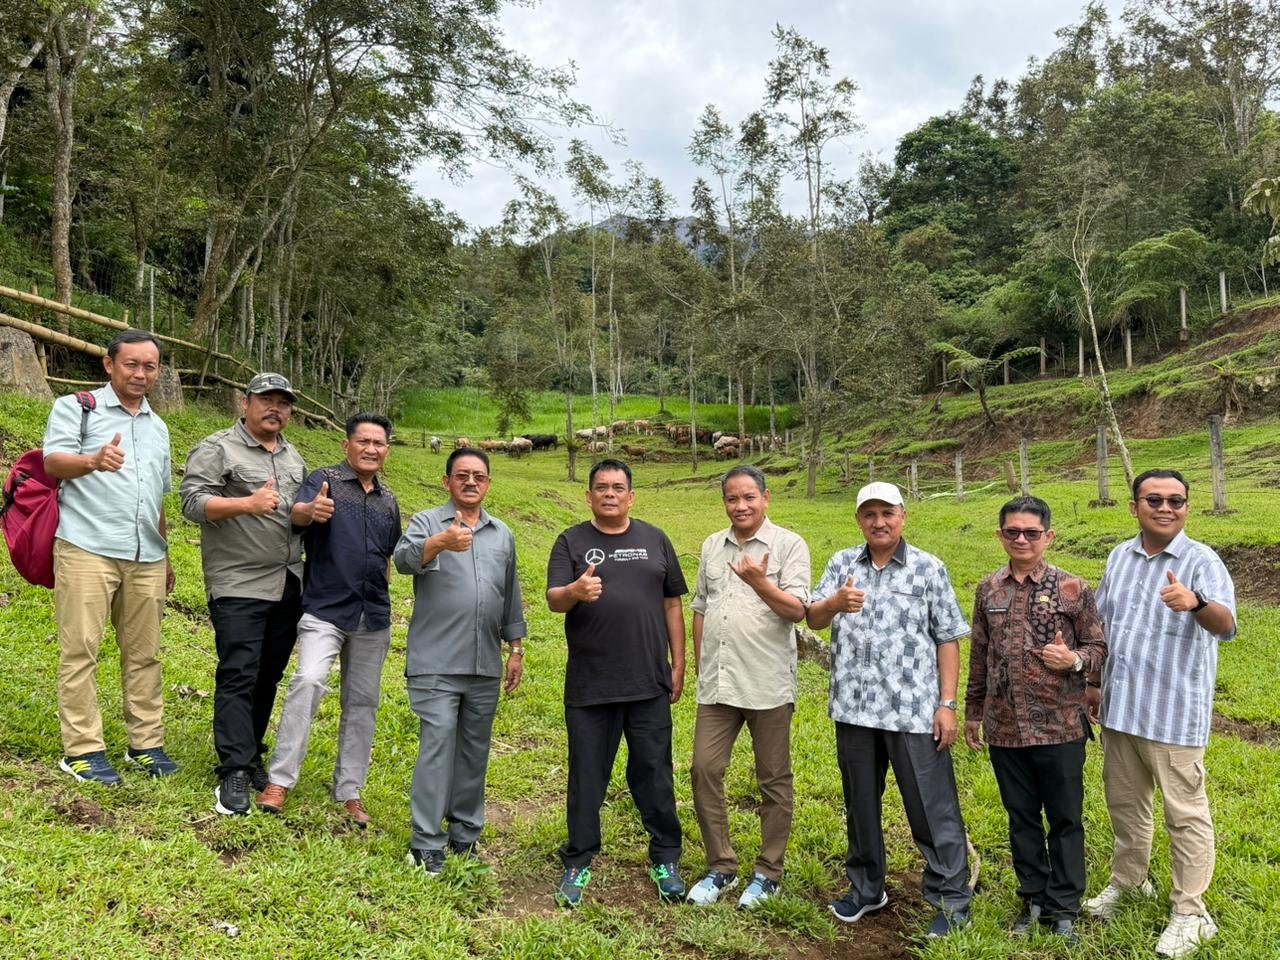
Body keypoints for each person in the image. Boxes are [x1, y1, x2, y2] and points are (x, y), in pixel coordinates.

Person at [808, 481, 973, 938]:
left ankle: (951, 899)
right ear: (859, 520)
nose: (879, 522)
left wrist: (947, 704)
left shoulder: (928, 568)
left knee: (930, 807)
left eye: (887, 513)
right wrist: (835, 603)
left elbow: (947, 638)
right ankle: (867, 888)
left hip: (913, 710)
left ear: (903, 516)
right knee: (860, 804)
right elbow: (814, 618)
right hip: (854, 709)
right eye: (870, 514)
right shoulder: (842, 563)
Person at [1083, 469, 1236, 959]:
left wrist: (1196, 602)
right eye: (1154, 499)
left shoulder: (1201, 560)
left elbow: (1227, 625)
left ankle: (1191, 913)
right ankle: (1129, 882)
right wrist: (1092, 683)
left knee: (1185, 814)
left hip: (1173, 714)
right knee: (1126, 804)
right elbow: (1103, 625)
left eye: (1176, 500)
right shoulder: (1119, 557)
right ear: (1135, 507)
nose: (1165, 507)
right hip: (1121, 709)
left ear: (1187, 507)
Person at [964, 496, 1106, 944]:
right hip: (1005, 725)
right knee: (1021, 817)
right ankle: (1034, 897)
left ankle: (1064, 906)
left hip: (1060, 725)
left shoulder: (1074, 588)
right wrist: (973, 711)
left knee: (1065, 818)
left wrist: (1074, 660)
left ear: (1049, 536)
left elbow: (1099, 648)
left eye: (1031, 532)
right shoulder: (988, 589)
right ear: (1000, 535)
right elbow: (980, 654)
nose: (1021, 539)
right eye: (1012, 532)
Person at [545, 458, 687, 908]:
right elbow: (554, 600)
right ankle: (578, 859)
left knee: (654, 773)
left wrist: (679, 662)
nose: (610, 494)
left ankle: (666, 857)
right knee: (587, 776)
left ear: (631, 496)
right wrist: (575, 592)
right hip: (591, 685)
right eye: (602, 487)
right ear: (589, 496)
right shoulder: (570, 541)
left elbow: (672, 604)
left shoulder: (655, 539)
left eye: (618, 487)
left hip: (648, 681)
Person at [43, 329, 177, 784]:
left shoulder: (159, 427)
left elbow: (157, 497)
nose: (140, 374)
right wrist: (93, 460)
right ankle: (82, 750)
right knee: (80, 650)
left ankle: (146, 744)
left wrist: (166, 555)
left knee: (145, 653)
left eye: (149, 366)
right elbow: (52, 462)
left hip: (146, 556)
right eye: (131, 364)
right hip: (87, 547)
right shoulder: (77, 408)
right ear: (109, 364)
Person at [257, 413, 402, 827]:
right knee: (308, 681)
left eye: (379, 443)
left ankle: (349, 791)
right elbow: (298, 515)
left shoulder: (389, 500)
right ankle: (280, 780)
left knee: (363, 703)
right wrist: (311, 510)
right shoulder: (325, 480)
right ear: (347, 445)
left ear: (387, 450)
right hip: (325, 609)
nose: (371, 449)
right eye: (363, 441)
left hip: (373, 615)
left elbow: (388, 555)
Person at [395, 447, 526, 876]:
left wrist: (516, 648)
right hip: (436, 661)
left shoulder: (502, 533)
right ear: (447, 481)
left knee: (474, 751)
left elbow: (510, 594)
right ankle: (425, 841)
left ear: (488, 484)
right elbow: (403, 560)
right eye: (462, 475)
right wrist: (440, 543)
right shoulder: (427, 522)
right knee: (437, 747)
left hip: (485, 662)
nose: (471, 482)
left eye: (479, 476)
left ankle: (465, 835)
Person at [180, 373, 307, 816]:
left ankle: (251, 755)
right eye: (266, 400)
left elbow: (293, 515)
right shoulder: (218, 448)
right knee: (239, 672)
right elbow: (192, 503)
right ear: (245, 402)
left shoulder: (293, 456)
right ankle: (233, 768)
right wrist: (246, 504)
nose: (275, 408)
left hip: (287, 581)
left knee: (268, 674)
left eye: (283, 403)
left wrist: (309, 514)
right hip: (238, 582)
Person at [686, 465, 810, 909]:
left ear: (766, 498)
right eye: (732, 499)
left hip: (767, 681)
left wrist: (759, 582)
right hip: (718, 682)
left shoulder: (789, 545)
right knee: (704, 770)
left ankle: (768, 872)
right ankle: (721, 866)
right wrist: (701, 662)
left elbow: (798, 610)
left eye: (749, 497)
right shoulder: (711, 546)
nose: (740, 506)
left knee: (773, 779)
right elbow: (701, 606)